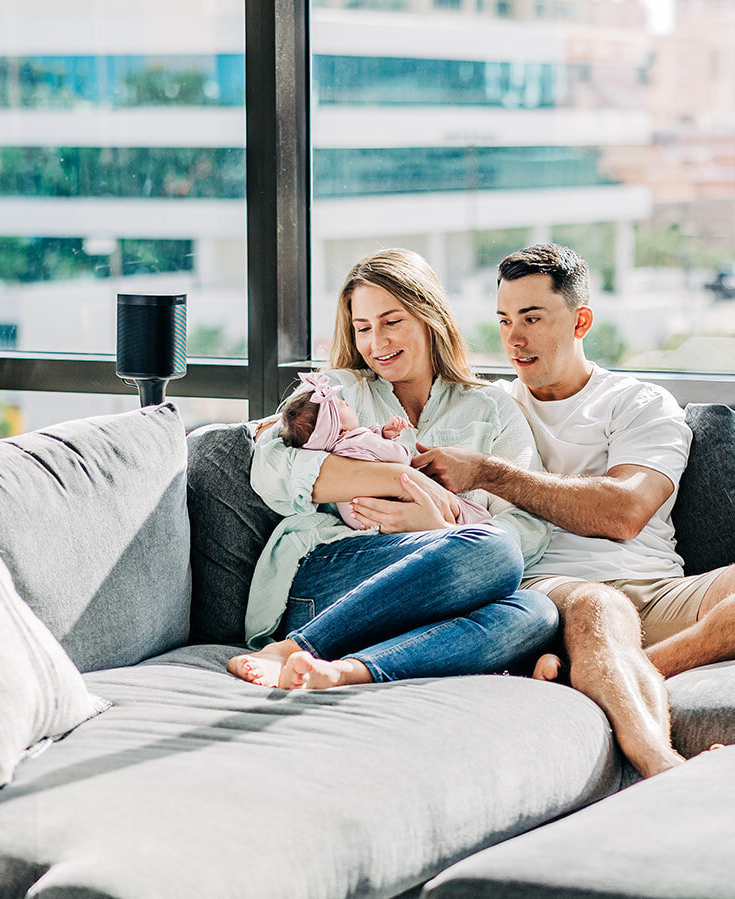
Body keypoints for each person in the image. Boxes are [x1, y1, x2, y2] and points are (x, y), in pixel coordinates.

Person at [413, 243, 735, 776]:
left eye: (532, 318)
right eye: (505, 320)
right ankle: (662, 763)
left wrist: (490, 471)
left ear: (581, 321)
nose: (514, 338)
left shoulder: (637, 402)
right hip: (554, 597)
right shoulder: (490, 408)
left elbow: (624, 514)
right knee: (599, 607)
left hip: (658, 591)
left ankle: (616, 671)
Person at [228, 248, 557, 692]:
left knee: (536, 611)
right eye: (362, 328)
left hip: (438, 589)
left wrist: (437, 528)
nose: (376, 342)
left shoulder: (493, 408)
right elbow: (271, 468)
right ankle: (293, 647)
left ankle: (345, 671)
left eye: (391, 321)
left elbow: (529, 528)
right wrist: (401, 480)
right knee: (494, 549)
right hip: (331, 581)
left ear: (429, 315)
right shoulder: (339, 392)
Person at [276, 370, 489, 531]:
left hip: (363, 518)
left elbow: (369, 450)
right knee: (469, 516)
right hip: (396, 503)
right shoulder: (358, 440)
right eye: (341, 405)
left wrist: (384, 432)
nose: (347, 404)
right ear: (339, 431)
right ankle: (478, 528)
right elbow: (397, 458)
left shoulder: (337, 452)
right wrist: (402, 450)